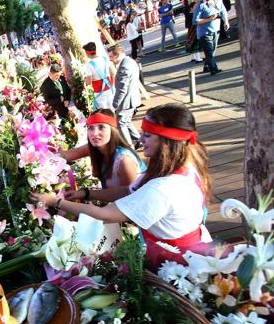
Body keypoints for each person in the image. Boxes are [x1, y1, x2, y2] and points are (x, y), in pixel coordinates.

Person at [31, 103, 213, 270]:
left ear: (166, 142)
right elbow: (128, 191)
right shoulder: (186, 164)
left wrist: (56, 202)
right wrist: (85, 193)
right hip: (183, 247)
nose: (140, 139)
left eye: (147, 135)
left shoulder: (163, 188)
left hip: (179, 262)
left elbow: (106, 215)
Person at [60, 109, 144, 196]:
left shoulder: (124, 160)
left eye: (101, 127)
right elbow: (65, 155)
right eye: (91, 128)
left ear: (112, 130)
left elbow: (128, 195)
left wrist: (85, 194)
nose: (95, 133)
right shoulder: (94, 147)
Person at [107, 44, 142, 149]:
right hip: (132, 98)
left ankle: (129, 147)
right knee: (126, 122)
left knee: (121, 123)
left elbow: (122, 88)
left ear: (117, 55)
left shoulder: (125, 65)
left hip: (127, 100)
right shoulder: (130, 61)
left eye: (111, 57)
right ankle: (139, 140)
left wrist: (115, 103)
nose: (111, 60)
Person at [193, 0, 229, 75]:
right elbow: (195, 21)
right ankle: (214, 69)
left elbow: (223, 11)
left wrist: (226, 22)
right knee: (209, 52)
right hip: (204, 33)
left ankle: (206, 66)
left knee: (212, 50)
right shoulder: (200, 5)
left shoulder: (218, 0)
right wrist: (209, 19)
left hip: (216, 30)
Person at [83, 42, 115, 111]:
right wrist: (112, 85)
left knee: (104, 112)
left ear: (87, 53)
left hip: (99, 93)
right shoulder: (105, 59)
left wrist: (84, 81)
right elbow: (112, 73)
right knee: (113, 110)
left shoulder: (89, 65)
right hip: (109, 89)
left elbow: (89, 82)